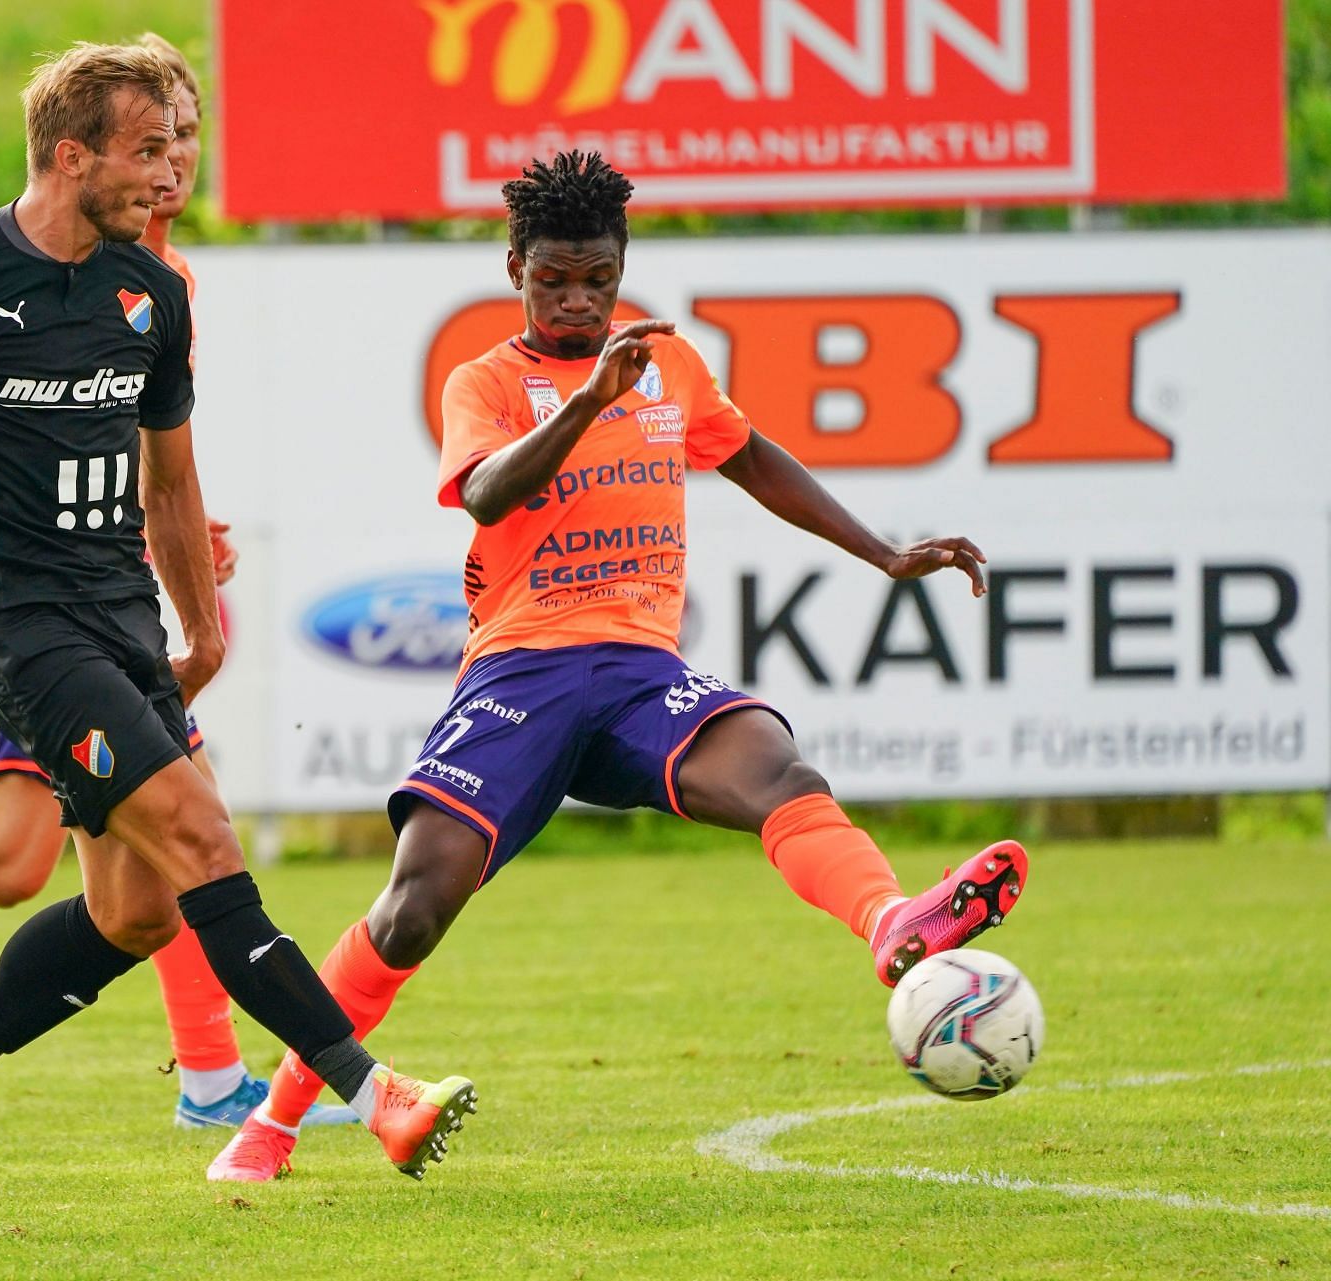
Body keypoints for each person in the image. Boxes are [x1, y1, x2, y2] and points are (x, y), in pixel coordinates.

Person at [0, 43, 475, 1198]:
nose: (170, 173)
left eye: (179, 147)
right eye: (149, 150)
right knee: (204, 842)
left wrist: (201, 620)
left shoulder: (154, 293)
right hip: (20, 625)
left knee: (134, 911)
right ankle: (377, 1098)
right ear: (71, 157)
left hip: (121, 615)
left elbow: (171, 481)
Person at [206, 150, 1027, 1182]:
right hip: (522, 672)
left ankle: (890, 919)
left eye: (597, 278)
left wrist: (886, 551)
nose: (578, 300)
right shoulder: (489, 380)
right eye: (554, 278)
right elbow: (490, 493)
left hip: (641, 668)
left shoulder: (669, 366)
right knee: (415, 910)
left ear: (621, 264)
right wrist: (589, 400)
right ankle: (271, 1124)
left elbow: (752, 455)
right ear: (515, 267)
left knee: (773, 762)